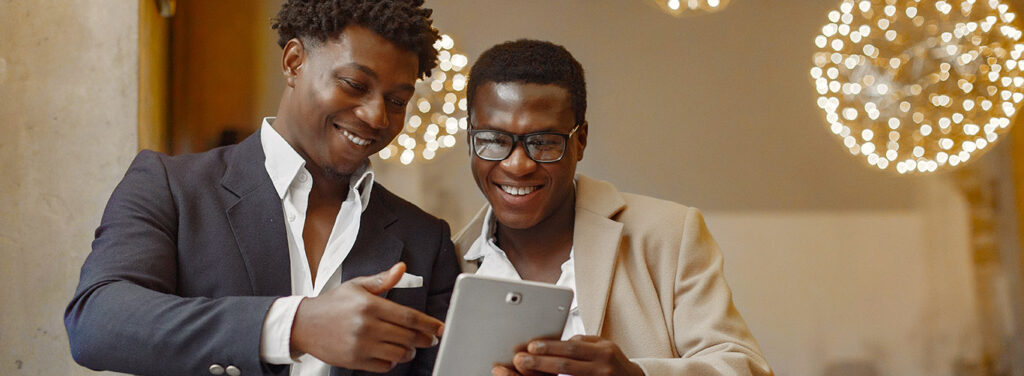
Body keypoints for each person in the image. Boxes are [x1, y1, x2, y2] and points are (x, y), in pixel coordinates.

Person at [64, 1, 460, 375]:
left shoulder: (426, 238)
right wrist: (295, 325)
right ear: (293, 62)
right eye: (355, 84)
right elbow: (97, 320)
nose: (376, 116)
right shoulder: (171, 186)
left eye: (396, 100)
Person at [453, 39, 774, 376]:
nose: (518, 165)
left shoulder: (668, 234)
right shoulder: (449, 258)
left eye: (544, 142)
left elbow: (745, 367)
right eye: (493, 140)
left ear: (581, 141)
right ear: (470, 139)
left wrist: (636, 375)